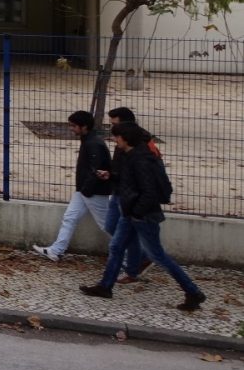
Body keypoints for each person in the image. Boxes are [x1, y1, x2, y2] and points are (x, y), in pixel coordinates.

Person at [80, 123, 206, 311]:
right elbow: (130, 183)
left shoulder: (141, 159)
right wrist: (111, 177)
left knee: (158, 255)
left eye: (116, 137)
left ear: (125, 138)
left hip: (142, 215)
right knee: (116, 247)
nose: (114, 140)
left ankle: (193, 292)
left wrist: (136, 213)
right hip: (131, 212)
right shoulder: (131, 155)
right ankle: (105, 287)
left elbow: (149, 192)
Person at [32, 111, 120, 262]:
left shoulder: (93, 144)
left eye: (73, 126)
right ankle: (56, 250)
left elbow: (96, 170)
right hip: (86, 190)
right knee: (70, 218)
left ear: (84, 126)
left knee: (107, 225)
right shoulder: (90, 140)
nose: (71, 128)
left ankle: (132, 255)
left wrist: (86, 190)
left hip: (93, 191)